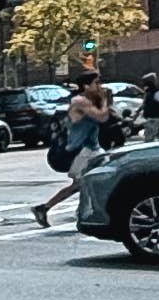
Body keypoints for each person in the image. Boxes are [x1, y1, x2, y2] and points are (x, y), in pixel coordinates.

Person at [30, 71, 113, 228]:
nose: (100, 86)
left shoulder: (88, 100)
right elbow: (102, 116)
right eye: (96, 83)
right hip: (82, 150)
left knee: (88, 182)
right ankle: (50, 209)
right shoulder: (79, 101)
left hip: (92, 149)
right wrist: (104, 100)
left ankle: (79, 211)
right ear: (86, 85)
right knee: (84, 183)